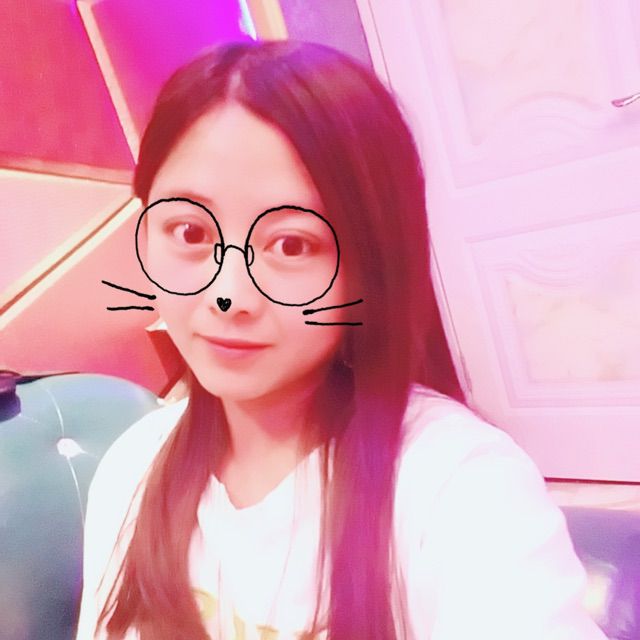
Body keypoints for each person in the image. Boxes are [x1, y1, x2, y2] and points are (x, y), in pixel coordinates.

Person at [76, 40, 606, 640]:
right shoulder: (135, 465)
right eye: (190, 232)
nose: (228, 295)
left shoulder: (460, 486)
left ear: (370, 260)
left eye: (291, 245)